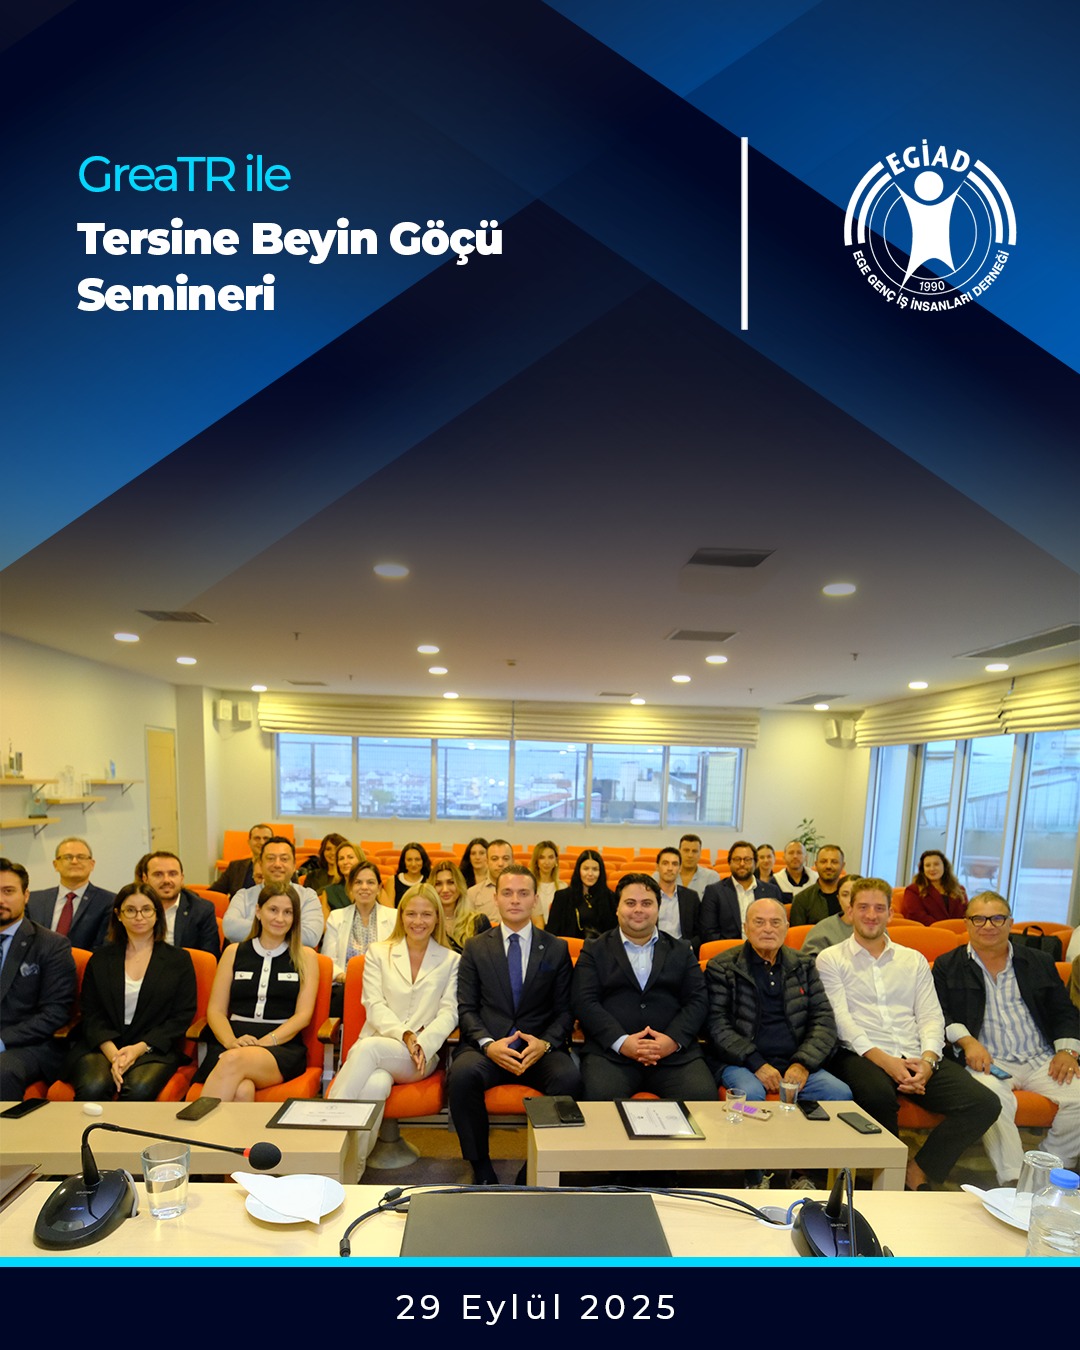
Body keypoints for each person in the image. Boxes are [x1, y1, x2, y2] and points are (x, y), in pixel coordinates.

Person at [817, 877, 1000, 1190]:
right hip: (862, 1054)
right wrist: (888, 1063)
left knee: (985, 1103)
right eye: (863, 907)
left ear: (891, 913)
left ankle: (918, 1169)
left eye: (879, 908)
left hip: (914, 1052)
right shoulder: (831, 958)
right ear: (850, 911)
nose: (871, 915)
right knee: (878, 1095)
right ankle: (887, 1180)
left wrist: (928, 1060)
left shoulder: (912, 959)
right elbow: (842, 1022)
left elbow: (930, 1016)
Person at [932, 891, 1079, 1184]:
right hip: (987, 1060)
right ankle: (1012, 1179)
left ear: (1010, 922)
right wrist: (967, 1041)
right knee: (989, 1099)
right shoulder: (948, 964)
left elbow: (1064, 1011)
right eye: (979, 919)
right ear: (967, 923)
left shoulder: (1038, 961)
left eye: (997, 918)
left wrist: (1067, 1051)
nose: (988, 925)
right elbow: (939, 1014)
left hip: (1040, 1057)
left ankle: (1043, 1173)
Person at [450, 864, 581, 1184]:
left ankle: (535, 1165)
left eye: (523, 893)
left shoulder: (556, 947)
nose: (515, 900)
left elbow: (566, 1011)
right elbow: (466, 1008)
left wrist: (545, 1043)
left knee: (569, 1078)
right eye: (507, 893)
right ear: (495, 898)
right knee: (462, 1075)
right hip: (489, 1048)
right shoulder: (475, 947)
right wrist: (487, 1045)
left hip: (539, 1050)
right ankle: (481, 1166)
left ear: (535, 899)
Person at [328, 884, 460, 1178]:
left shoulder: (451, 960)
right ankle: (349, 1173)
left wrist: (422, 1043)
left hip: (420, 1057)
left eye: (426, 914)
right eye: (411, 913)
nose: (418, 921)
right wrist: (404, 1034)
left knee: (367, 1049)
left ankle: (324, 1139)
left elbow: (449, 1012)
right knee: (375, 1085)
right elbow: (373, 1004)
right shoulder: (379, 952)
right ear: (401, 916)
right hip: (381, 1043)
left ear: (437, 918)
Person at [573, 873, 715, 1100]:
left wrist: (671, 1041)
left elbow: (698, 1000)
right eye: (630, 903)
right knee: (599, 1101)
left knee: (702, 1098)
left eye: (647, 903)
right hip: (611, 1055)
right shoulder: (594, 949)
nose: (638, 909)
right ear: (617, 908)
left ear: (658, 908)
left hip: (674, 1057)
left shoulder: (681, 950)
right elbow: (584, 1001)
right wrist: (622, 1042)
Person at [705, 898, 851, 1105]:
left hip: (795, 1062)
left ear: (786, 928)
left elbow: (823, 1019)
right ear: (746, 928)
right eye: (759, 922)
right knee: (750, 1095)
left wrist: (802, 1064)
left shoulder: (804, 965)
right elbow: (716, 1025)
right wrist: (757, 1064)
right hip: (743, 1063)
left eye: (775, 922)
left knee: (839, 1093)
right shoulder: (722, 967)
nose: (768, 929)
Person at [68, 885, 197, 1100]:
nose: (139, 916)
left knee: (138, 1088)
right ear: (118, 915)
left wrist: (138, 1049)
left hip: (153, 1047)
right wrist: (113, 1054)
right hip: (104, 1045)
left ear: (157, 914)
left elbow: (181, 1016)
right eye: (130, 910)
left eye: (146, 909)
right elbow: (91, 1014)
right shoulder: (100, 959)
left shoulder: (178, 960)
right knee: (94, 1086)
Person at [197, 883, 319, 1100]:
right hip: (232, 1040)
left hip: (280, 1046)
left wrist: (265, 1042)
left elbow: (303, 1016)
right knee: (242, 1090)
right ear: (258, 911)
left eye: (288, 912)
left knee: (233, 1060)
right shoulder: (233, 952)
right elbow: (215, 1010)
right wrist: (231, 1042)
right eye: (273, 910)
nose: (280, 918)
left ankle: (194, 1122)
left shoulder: (306, 956)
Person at [0, 858, 77, 1099]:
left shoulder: (51, 945)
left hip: (29, 1045)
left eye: (8, 891)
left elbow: (55, 1013)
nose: (0, 900)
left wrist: (1, 1040)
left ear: (26, 895)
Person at [321, 861, 396, 1014]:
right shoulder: (337, 917)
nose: (364, 887)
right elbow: (329, 960)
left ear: (379, 888)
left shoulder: (393, 918)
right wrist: (344, 977)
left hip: (384, 987)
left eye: (370, 882)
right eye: (358, 882)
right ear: (350, 887)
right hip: (346, 986)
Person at [224, 837, 324, 949]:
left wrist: (262, 929)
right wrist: (282, 930)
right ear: (260, 864)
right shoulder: (244, 896)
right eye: (271, 858)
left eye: (284, 859)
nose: (277, 864)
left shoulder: (308, 897)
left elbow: (310, 937)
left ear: (294, 865)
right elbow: (230, 929)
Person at [27, 836, 114, 950]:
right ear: (56, 865)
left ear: (92, 864)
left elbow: (105, 947)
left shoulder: (108, 901)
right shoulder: (33, 900)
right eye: (67, 857)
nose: (74, 861)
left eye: (81, 857)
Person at [700, 840, 782, 941]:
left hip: (764, 947)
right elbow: (708, 932)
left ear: (756, 863)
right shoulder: (714, 892)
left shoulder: (772, 891)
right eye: (737, 859)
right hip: (728, 948)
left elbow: (778, 927)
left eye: (747, 859)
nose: (742, 864)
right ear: (729, 863)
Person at [144, 851, 220, 955]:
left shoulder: (201, 910)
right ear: (145, 879)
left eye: (172, 874)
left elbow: (209, 956)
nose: (166, 880)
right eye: (158, 874)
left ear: (182, 878)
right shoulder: (135, 908)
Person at [546, 849, 617, 940]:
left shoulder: (611, 898)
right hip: (569, 947)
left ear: (601, 872)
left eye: (595, 869)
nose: (590, 874)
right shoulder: (562, 897)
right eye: (586, 869)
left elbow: (614, 934)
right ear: (578, 870)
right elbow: (551, 934)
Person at [431, 860, 490, 953]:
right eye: (438, 884)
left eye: (451, 882)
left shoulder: (479, 922)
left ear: (459, 885)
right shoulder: (427, 923)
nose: (445, 889)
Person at [651, 847, 702, 950]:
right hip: (654, 948)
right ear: (657, 867)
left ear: (680, 868)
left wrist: (689, 946)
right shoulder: (648, 896)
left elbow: (701, 931)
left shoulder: (691, 897)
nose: (670, 868)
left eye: (674, 864)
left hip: (683, 949)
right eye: (665, 863)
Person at [801, 874, 861, 959]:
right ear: (838, 898)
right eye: (845, 895)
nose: (850, 901)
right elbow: (808, 963)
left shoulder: (876, 928)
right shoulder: (822, 930)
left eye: (856, 895)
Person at [903, 850, 967, 925]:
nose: (932, 869)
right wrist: (944, 928)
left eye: (936, 864)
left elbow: (966, 914)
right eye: (927, 865)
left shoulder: (960, 889)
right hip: (929, 930)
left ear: (944, 866)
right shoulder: (913, 890)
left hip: (956, 930)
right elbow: (918, 916)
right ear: (923, 869)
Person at [210, 823, 275, 896]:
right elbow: (214, 893)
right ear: (249, 842)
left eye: (266, 838)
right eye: (257, 838)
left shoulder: (281, 867)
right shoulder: (235, 867)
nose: (262, 842)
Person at [790, 845, 846, 926]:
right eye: (823, 862)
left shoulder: (853, 897)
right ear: (816, 865)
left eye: (834, 862)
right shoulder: (802, 899)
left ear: (842, 866)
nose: (828, 866)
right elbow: (798, 932)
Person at [465, 839, 513, 921]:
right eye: (494, 859)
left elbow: (535, 922)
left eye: (505, 858)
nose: (500, 864)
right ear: (487, 861)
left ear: (512, 861)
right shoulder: (472, 893)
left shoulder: (526, 891)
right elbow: (468, 925)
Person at [319, 840, 364, 913]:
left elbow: (385, 915)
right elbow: (325, 920)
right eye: (341, 858)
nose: (345, 862)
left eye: (350, 857)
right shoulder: (329, 892)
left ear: (360, 860)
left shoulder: (374, 888)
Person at [530, 840, 560, 920]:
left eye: (551, 857)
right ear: (536, 861)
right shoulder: (529, 886)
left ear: (556, 860)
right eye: (542, 858)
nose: (547, 862)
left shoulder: (563, 887)